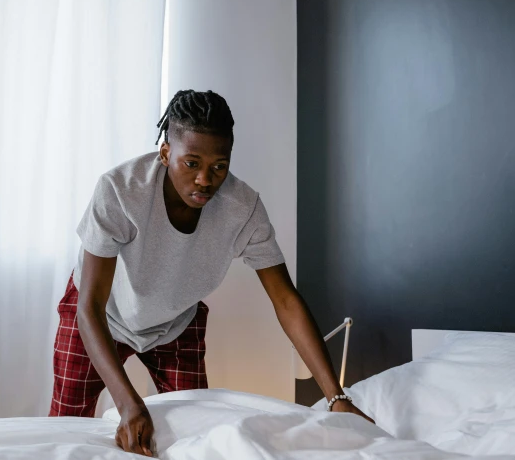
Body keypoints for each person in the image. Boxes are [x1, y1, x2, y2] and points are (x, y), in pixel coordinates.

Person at [49, 90, 371, 455]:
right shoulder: (121, 191)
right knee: (66, 424)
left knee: (194, 435)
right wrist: (129, 404)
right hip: (100, 316)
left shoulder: (243, 209)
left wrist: (335, 397)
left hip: (176, 324)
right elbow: (89, 304)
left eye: (219, 165)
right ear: (167, 152)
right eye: (191, 163)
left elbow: (285, 299)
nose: (206, 179)